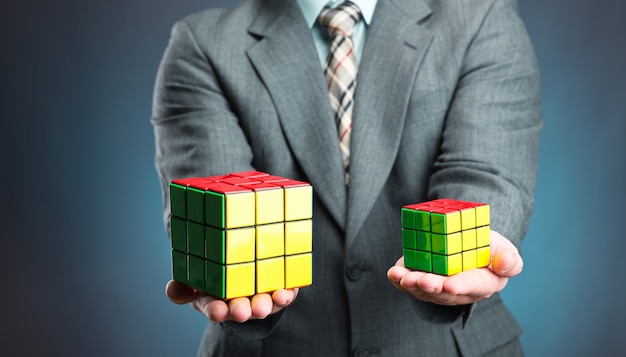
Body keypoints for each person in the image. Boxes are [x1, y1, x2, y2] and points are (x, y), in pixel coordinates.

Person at [151, 0, 542, 355]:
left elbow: (484, 168)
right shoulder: (202, 43)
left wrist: (473, 247)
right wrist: (232, 277)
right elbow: (216, 201)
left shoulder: (481, 16)